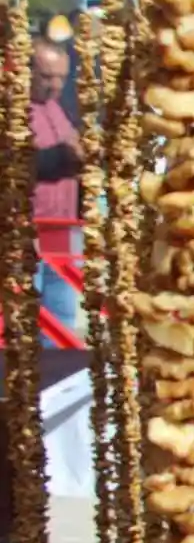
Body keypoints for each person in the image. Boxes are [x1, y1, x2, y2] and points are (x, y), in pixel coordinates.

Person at [29, 40, 84, 343]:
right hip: (27, 231)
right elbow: (16, 163)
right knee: (25, 318)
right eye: (47, 76)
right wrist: (65, 156)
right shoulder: (11, 109)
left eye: (61, 77)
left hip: (63, 232)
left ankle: (55, 382)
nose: (55, 85)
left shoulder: (60, 108)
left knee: (60, 319)